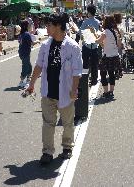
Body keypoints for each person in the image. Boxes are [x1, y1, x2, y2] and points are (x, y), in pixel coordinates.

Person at [26, 13, 83, 165]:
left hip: (65, 91)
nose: (47, 28)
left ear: (58, 26)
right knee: (48, 123)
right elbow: (39, 65)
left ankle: (67, 147)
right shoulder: (45, 45)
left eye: (49, 25)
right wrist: (31, 84)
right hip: (48, 91)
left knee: (68, 123)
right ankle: (47, 151)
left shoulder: (72, 47)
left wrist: (74, 90)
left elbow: (77, 72)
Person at [92, 15, 122, 98]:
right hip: (115, 56)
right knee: (112, 74)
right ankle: (111, 91)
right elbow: (119, 45)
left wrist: (94, 35)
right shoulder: (116, 32)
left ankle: (106, 92)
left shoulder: (105, 32)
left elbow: (98, 41)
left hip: (107, 56)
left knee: (103, 74)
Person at [80, 5, 101, 85]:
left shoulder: (85, 22)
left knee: (85, 64)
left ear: (88, 12)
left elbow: (81, 33)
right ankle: (94, 80)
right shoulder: (98, 22)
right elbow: (99, 33)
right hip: (95, 46)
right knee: (94, 64)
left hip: (86, 46)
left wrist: (83, 40)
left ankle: (84, 80)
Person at [18, 20, 33, 88]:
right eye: (28, 24)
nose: (29, 25)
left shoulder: (21, 34)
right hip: (25, 53)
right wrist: (38, 41)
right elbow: (31, 43)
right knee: (25, 66)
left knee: (29, 66)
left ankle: (28, 80)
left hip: (22, 52)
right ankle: (21, 81)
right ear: (26, 26)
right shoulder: (27, 34)